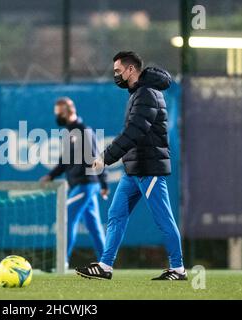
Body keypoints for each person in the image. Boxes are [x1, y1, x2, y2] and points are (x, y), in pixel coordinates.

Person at [75, 51, 187, 281]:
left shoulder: (147, 94)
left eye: (118, 71)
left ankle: (178, 269)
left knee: (163, 218)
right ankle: (105, 266)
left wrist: (106, 157)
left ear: (131, 70)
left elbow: (134, 132)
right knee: (116, 214)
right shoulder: (138, 93)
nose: (115, 75)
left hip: (148, 169)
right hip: (133, 169)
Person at [40, 97, 109, 265]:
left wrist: (104, 182)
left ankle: (61, 261)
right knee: (93, 226)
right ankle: (107, 261)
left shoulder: (84, 131)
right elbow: (65, 162)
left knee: (66, 218)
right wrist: (51, 176)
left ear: (69, 111)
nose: (57, 116)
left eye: (59, 113)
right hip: (82, 185)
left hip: (86, 183)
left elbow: (97, 157)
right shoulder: (68, 133)